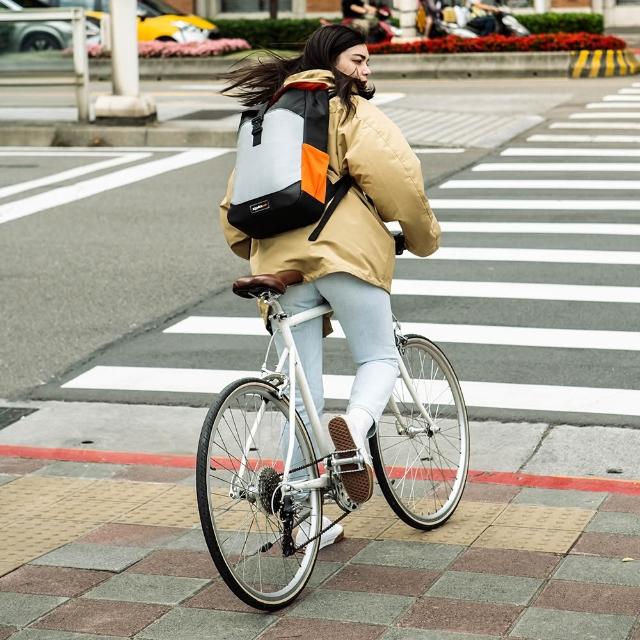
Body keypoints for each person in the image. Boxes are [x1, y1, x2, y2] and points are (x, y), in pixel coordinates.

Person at [219, 24, 441, 547]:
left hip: (279, 264)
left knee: (302, 395)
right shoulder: (344, 107)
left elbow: (235, 203)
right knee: (379, 357)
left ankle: (304, 521)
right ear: (332, 61)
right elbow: (398, 177)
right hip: (342, 252)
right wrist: (422, 237)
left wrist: (250, 248)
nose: (366, 70)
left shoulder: (270, 112)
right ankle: (354, 438)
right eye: (358, 60)